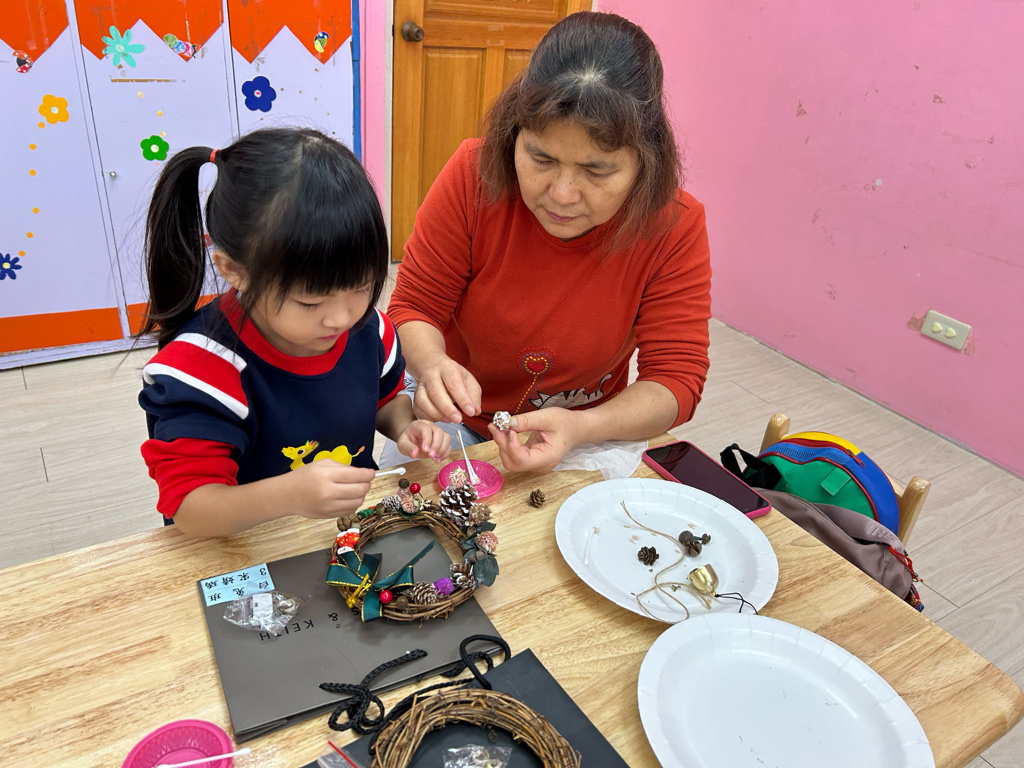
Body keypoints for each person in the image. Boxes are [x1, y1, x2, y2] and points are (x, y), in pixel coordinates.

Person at [385, 11, 712, 473]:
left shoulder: (673, 224)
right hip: (455, 419)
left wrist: (581, 426)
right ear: (514, 134)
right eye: (541, 159)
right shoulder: (474, 176)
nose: (561, 194)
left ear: (647, 161)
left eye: (596, 171)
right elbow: (414, 307)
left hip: (588, 429)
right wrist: (433, 364)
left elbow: (675, 379)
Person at [137, 128, 451, 537]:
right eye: (310, 302)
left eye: (360, 287)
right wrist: (288, 496)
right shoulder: (201, 369)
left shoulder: (368, 329)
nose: (341, 318)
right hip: (244, 545)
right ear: (234, 270)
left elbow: (385, 398)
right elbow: (191, 510)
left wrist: (405, 428)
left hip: (342, 533)